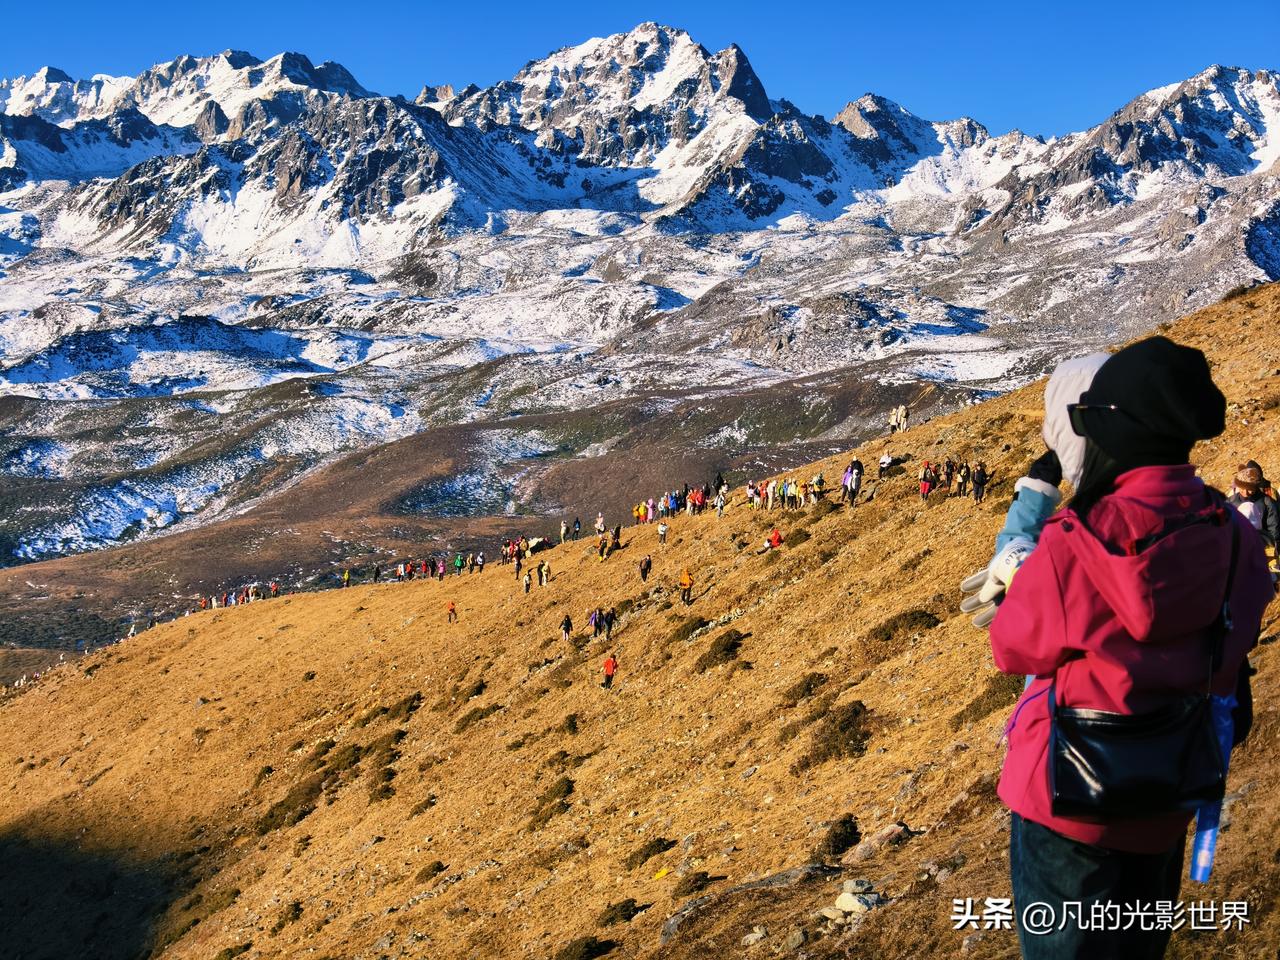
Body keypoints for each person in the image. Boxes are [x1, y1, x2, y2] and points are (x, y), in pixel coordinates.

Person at [988, 337, 1271, 960]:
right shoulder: (1232, 534)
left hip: (1066, 797)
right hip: (1169, 789)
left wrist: (1019, 551)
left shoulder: (1077, 538)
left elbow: (1012, 648)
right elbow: (1237, 637)